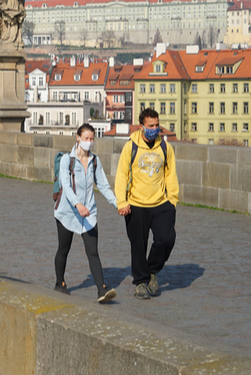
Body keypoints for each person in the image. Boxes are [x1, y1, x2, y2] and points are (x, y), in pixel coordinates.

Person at [114, 108, 179, 300]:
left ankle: (152, 270)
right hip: (136, 203)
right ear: (142, 127)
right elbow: (121, 175)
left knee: (166, 239)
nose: (155, 129)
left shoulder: (165, 147)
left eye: (157, 125)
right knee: (138, 245)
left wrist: (172, 199)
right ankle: (140, 282)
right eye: (151, 126)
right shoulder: (131, 146)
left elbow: (171, 174)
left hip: (161, 202)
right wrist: (122, 202)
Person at [54, 123, 119, 304]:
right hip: (67, 212)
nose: (89, 142)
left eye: (92, 139)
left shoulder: (94, 161)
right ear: (78, 138)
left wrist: (118, 204)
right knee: (63, 249)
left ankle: (101, 290)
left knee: (93, 251)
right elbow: (65, 186)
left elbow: (104, 186)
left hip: (88, 212)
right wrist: (77, 204)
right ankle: (59, 283)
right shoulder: (68, 159)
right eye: (86, 139)